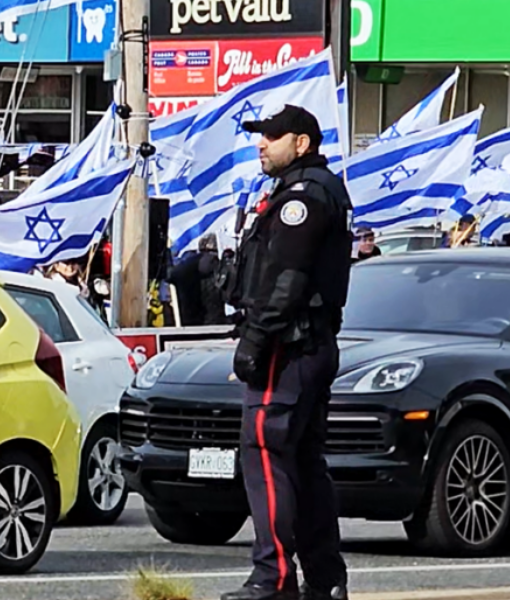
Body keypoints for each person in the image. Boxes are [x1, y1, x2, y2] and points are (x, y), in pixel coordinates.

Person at [222, 105, 353, 600]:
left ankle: (273, 577)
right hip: (308, 343)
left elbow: (288, 279)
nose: (263, 143)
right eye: (262, 135)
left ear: (301, 144)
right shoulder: (310, 190)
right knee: (301, 462)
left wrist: (256, 340)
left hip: (289, 345)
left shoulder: (303, 197)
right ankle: (325, 580)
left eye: (274, 137)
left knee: (266, 455)